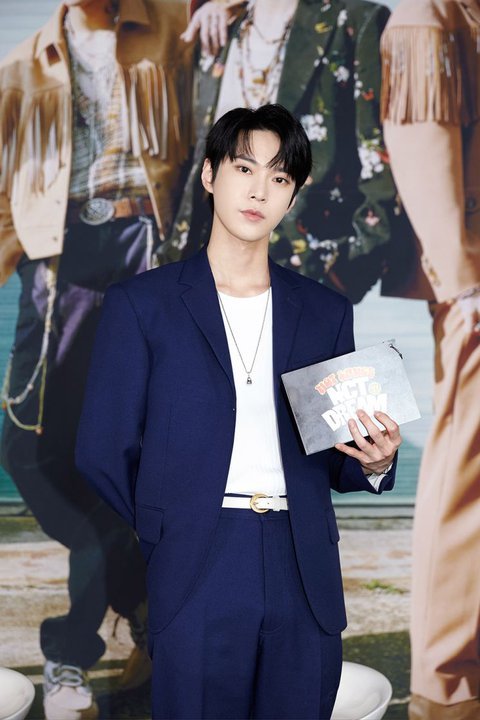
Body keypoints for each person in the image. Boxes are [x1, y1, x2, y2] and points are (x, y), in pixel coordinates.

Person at [75, 104, 402, 720]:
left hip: (301, 562)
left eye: (279, 178)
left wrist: (375, 462)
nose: (259, 191)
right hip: (197, 558)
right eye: (244, 168)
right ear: (209, 175)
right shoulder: (142, 305)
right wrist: (167, 524)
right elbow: (101, 449)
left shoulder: (324, 311)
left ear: (293, 195)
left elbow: (333, 454)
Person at [0, 1, 221, 718]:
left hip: (147, 245)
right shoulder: (21, 67)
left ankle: (73, 652)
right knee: (30, 446)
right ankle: (137, 600)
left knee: (142, 452)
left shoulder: (173, 26)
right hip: (58, 256)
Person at [164, 0, 405, 305]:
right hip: (205, 276)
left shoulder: (357, 20)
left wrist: (348, 271)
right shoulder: (221, 27)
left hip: (303, 274)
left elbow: (380, 159)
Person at [380, 2, 480, 719]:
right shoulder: (428, 18)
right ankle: (445, 686)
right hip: (473, 289)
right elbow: (419, 151)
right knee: (463, 480)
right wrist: (463, 288)